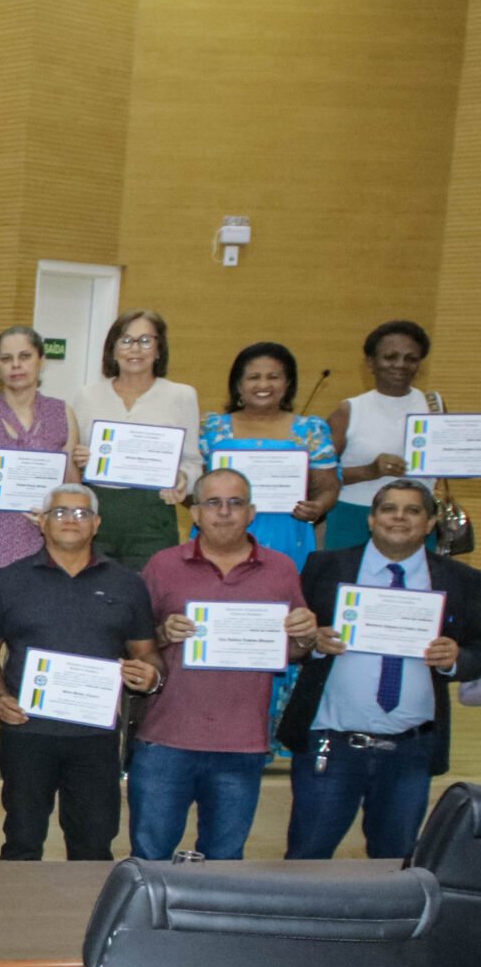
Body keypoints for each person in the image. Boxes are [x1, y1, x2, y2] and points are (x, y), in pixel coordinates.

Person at [280, 479, 481, 859]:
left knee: (397, 864)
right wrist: (312, 641)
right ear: (371, 520)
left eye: (412, 510)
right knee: (305, 861)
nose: (399, 517)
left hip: (411, 749)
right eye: (389, 509)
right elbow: (289, 639)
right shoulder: (324, 567)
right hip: (331, 743)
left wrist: (457, 658)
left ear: (430, 522)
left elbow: (478, 649)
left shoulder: (462, 580)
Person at [0, 483, 163, 861]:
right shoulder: (8, 581)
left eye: (81, 513)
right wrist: (0, 699)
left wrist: (150, 676)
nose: (70, 520)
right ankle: (17, 920)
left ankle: (90, 920)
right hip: (28, 734)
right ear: (42, 523)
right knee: (22, 842)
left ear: (97, 524)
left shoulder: (128, 583)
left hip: (95, 738)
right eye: (60, 512)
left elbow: (148, 653)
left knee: (93, 845)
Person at [135, 469, 314, 861]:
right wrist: (163, 633)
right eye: (213, 502)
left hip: (242, 743)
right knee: (149, 860)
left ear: (252, 512)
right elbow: (133, 642)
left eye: (236, 502)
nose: (225, 512)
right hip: (167, 741)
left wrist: (304, 634)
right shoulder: (163, 565)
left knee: (224, 863)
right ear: (195, 513)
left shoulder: (281, 568)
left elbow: (296, 650)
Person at [70, 310, 200, 570]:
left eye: (145, 340)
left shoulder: (181, 396)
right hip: (98, 513)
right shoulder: (88, 395)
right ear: (113, 349)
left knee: (147, 596)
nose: (135, 349)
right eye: (126, 340)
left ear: (159, 349)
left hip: (152, 515)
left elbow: (193, 462)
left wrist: (183, 479)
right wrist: (79, 458)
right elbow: (72, 457)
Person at [200, 341, 338, 569]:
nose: (263, 384)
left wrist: (318, 507)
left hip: (286, 536)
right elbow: (197, 488)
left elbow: (328, 487)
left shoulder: (310, 430)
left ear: (288, 384)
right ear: (238, 385)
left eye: (274, 377)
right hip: (220, 535)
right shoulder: (211, 429)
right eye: (253, 377)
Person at [0, 327, 77, 579]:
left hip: (43, 537)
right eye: (6, 359)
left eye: (24, 356)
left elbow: (73, 488)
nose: (16, 365)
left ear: (41, 361)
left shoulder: (63, 414)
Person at [326, 320, 435, 552]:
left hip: (416, 522)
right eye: (390, 357)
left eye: (411, 358)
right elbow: (318, 477)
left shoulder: (434, 406)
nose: (400, 365)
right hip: (354, 518)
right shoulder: (349, 411)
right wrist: (369, 471)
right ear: (370, 362)